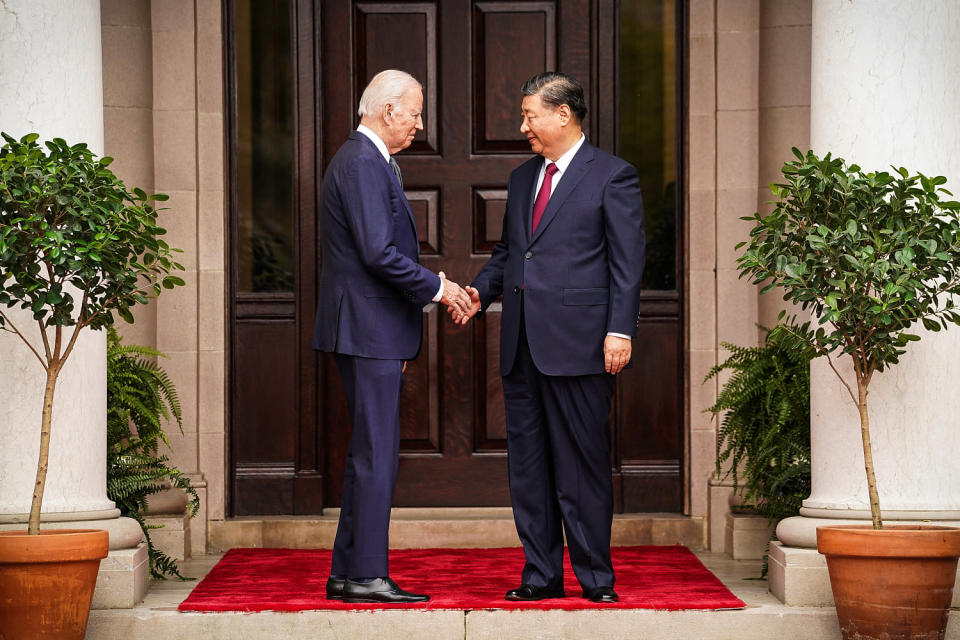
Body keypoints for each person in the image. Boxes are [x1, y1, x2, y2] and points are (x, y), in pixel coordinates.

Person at [452, 71, 645, 603]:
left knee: (581, 467)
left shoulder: (613, 176)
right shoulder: (520, 179)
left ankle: (596, 580)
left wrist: (618, 330)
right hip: (521, 347)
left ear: (564, 115)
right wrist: (477, 293)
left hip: (582, 345)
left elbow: (627, 265)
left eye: (530, 115)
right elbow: (509, 254)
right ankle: (540, 575)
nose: (523, 127)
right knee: (530, 468)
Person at [312, 69, 471, 604]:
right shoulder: (362, 162)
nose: (420, 124)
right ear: (387, 112)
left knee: (368, 451)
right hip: (368, 328)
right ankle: (368, 576)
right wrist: (441, 288)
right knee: (377, 455)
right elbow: (378, 254)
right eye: (416, 113)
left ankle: (347, 572)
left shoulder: (367, 160)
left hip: (372, 328)